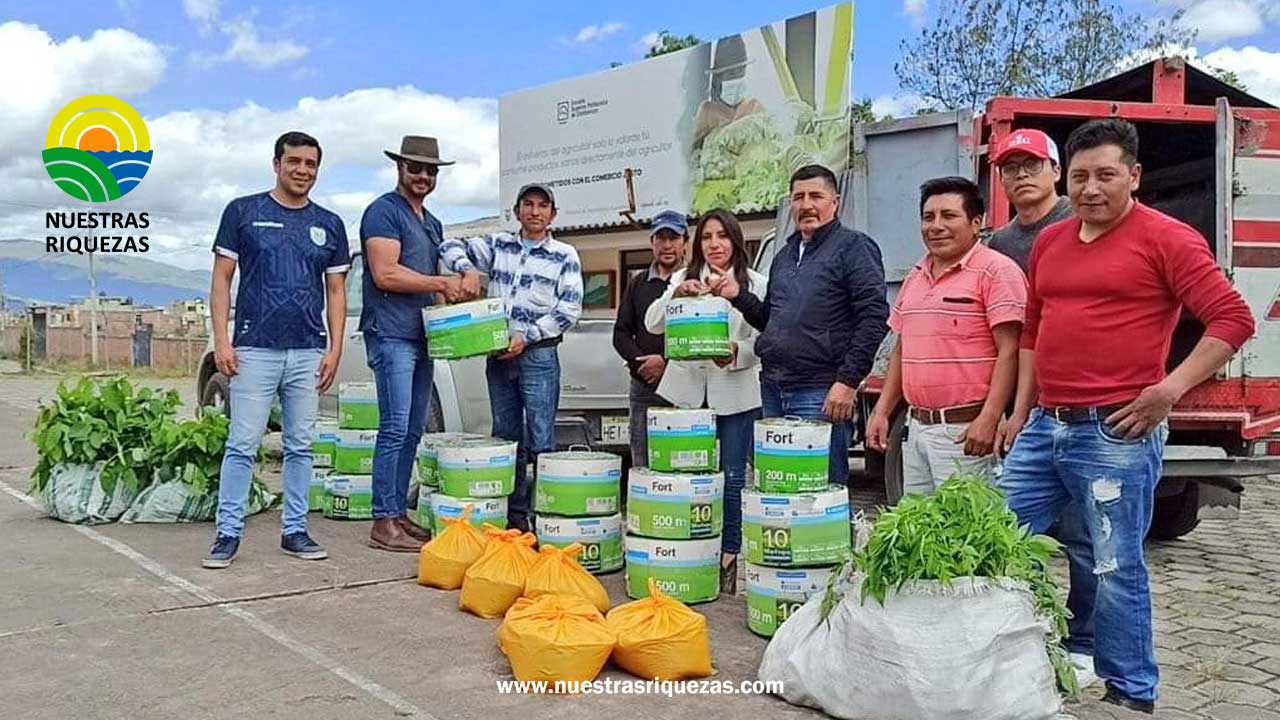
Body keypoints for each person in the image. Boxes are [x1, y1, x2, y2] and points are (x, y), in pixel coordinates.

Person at [996, 119, 1255, 713]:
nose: (1091, 188)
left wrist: (1169, 390)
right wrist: (1022, 409)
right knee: (997, 534)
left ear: (1133, 176)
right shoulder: (1051, 243)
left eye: (1106, 175)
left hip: (1115, 432)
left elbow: (1232, 319)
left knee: (1113, 566)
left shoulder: (1168, 238)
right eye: (1081, 175)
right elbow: (1035, 329)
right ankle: (1008, 653)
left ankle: (1132, 692)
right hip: (1044, 428)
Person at [203, 131, 349, 569]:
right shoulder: (243, 212)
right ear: (276, 164)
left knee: (301, 445)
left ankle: (295, 530)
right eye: (294, 162)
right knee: (243, 443)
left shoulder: (331, 224)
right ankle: (227, 533)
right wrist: (223, 341)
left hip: (308, 351)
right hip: (254, 350)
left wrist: (335, 348)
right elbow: (221, 280)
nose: (302, 170)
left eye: (310, 164)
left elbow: (337, 292)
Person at [988, 127, 1099, 691]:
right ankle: (1032, 628)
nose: (1021, 176)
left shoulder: (1081, 226)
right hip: (1027, 410)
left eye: (1032, 166)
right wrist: (1008, 409)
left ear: (1056, 172)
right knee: (1015, 528)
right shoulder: (999, 244)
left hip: (1084, 409)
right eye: (1011, 168)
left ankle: (1084, 641)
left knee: (1084, 535)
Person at [712, 164, 889, 488]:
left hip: (820, 391)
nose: (806, 204)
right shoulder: (784, 256)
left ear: (834, 201)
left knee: (820, 490)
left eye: (816, 196)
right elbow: (770, 320)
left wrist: (848, 381)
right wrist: (738, 296)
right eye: (798, 197)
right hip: (774, 389)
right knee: (780, 488)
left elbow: (874, 317)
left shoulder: (854, 247)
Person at [865, 177, 1024, 494]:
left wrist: (989, 417)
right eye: (928, 217)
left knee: (968, 535)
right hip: (917, 428)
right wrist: (882, 411)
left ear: (976, 222)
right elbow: (902, 349)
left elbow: (1011, 351)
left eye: (949, 216)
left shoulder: (997, 271)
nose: (935, 226)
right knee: (922, 530)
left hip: (966, 432)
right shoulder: (916, 275)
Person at [441, 183, 584, 532]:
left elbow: (569, 309)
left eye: (543, 206)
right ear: (517, 210)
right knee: (506, 438)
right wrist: (469, 269)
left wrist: (528, 335)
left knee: (541, 440)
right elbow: (448, 246)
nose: (535, 211)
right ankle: (513, 518)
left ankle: (546, 520)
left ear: (553, 214)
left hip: (539, 356)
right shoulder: (498, 245)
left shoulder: (565, 255)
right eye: (528, 204)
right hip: (499, 357)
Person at [644, 209, 765, 594]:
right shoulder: (683, 278)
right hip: (688, 393)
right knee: (688, 476)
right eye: (707, 237)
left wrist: (736, 353)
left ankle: (728, 556)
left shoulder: (756, 284)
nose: (714, 244)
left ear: (736, 241)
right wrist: (676, 294)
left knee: (732, 477)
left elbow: (766, 339)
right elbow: (652, 323)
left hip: (736, 393)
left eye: (722, 236)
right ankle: (691, 555)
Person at [359, 135, 466, 553]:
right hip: (391, 332)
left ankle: (397, 512)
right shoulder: (383, 212)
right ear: (399, 168)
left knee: (413, 430)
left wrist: (452, 307)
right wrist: (442, 283)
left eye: (430, 170)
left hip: (421, 334)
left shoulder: (431, 222)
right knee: (395, 426)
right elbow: (385, 274)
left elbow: (434, 277)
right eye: (415, 168)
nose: (423, 176)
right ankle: (382, 520)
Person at [612, 210, 688, 465]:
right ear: (652, 243)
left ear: (685, 242)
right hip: (643, 386)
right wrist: (642, 364)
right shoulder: (638, 283)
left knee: (681, 458)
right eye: (661, 238)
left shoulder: (696, 280)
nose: (667, 245)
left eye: (674, 238)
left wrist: (666, 363)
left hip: (686, 385)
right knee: (642, 459)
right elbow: (621, 332)